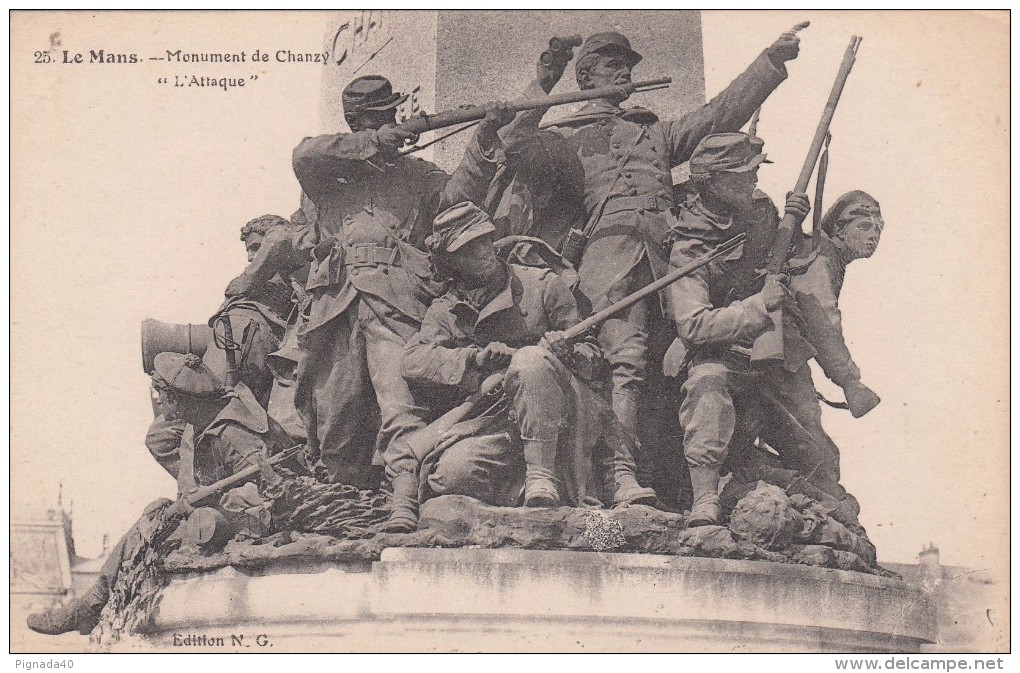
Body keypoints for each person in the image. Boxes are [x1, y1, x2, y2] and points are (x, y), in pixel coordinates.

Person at [499, 28, 805, 481]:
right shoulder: (565, 138)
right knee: (623, 365)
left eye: (628, 65)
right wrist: (546, 79)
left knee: (675, 365)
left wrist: (769, 60)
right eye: (611, 65)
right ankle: (618, 474)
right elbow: (512, 143)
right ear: (586, 76)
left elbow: (718, 115)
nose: (625, 71)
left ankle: (674, 480)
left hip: (667, 257)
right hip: (608, 262)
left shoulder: (652, 133)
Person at [228, 75, 513, 498]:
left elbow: (460, 192)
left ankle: (405, 502)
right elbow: (305, 153)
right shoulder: (326, 179)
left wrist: (486, 134)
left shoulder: (415, 174)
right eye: (381, 118)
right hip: (333, 308)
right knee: (334, 418)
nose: (393, 122)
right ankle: (346, 505)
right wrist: (379, 140)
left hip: (395, 303)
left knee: (401, 406)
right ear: (359, 122)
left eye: (392, 116)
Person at [400, 202, 655, 516]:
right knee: (453, 476)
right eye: (467, 249)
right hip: (495, 417)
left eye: (483, 241)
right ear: (453, 262)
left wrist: (568, 352)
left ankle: (543, 478)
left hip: (563, 412)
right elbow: (413, 360)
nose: (481, 252)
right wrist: (475, 359)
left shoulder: (542, 284)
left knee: (530, 360)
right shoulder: (448, 308)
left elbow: (593, 357)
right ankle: (532, 488)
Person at [27, 353, 295, 636]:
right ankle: (89, 606)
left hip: (247, 522)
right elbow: (159, 438)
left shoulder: (233, 435)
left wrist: (202, 505)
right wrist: (189, 498)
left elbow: (268, 500)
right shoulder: (198, 421)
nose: (156, 400)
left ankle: (89, 608)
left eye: (161, 394)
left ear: (179, 400)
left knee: (150, 529)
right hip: (208, 501)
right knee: (153, 518)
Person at [663, 132, 848, 527]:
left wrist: (795, 222)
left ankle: (832, 511)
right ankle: (706, 499)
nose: (754, 181)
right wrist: (759, 305)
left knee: (815, 448)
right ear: (712, 182)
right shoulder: (689, 246)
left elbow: (788, 259)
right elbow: (694, 325)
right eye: (743, 175)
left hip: (772, 353)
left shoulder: (759, 210)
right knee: (707, 389)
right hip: (718, 355)